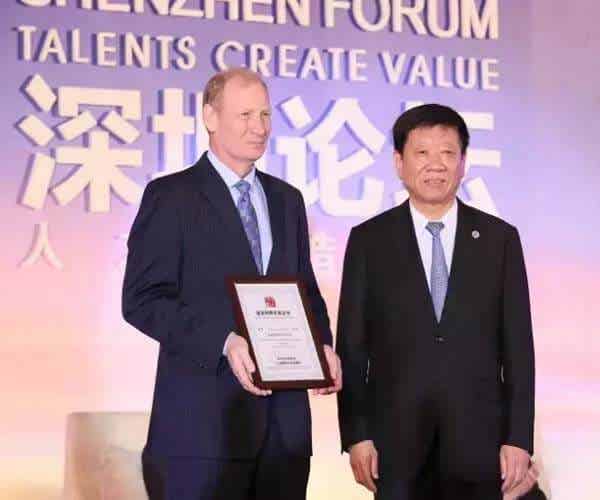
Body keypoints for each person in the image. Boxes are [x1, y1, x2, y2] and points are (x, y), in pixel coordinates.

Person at [122, 67, 341, 500]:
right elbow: (142, 300)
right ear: (210, 116)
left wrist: (321, 345)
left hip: (283, 437)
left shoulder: (287, 200)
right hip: (201, 434)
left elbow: (305, 293)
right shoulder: (171, 196)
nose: (259, 127)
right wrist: (223, 341)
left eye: (265, 114)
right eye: (245, 115)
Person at [336, 103, 535, 500]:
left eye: (447, 153)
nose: (436, 165)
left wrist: (518, 438)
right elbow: (352, 347)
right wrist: (357, 435)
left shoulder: (499, 240)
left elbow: (518, 347)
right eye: (422, 153)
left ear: (463, 163)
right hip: (395, 444)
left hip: (480, 443)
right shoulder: (369, 241)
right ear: (399, 162)